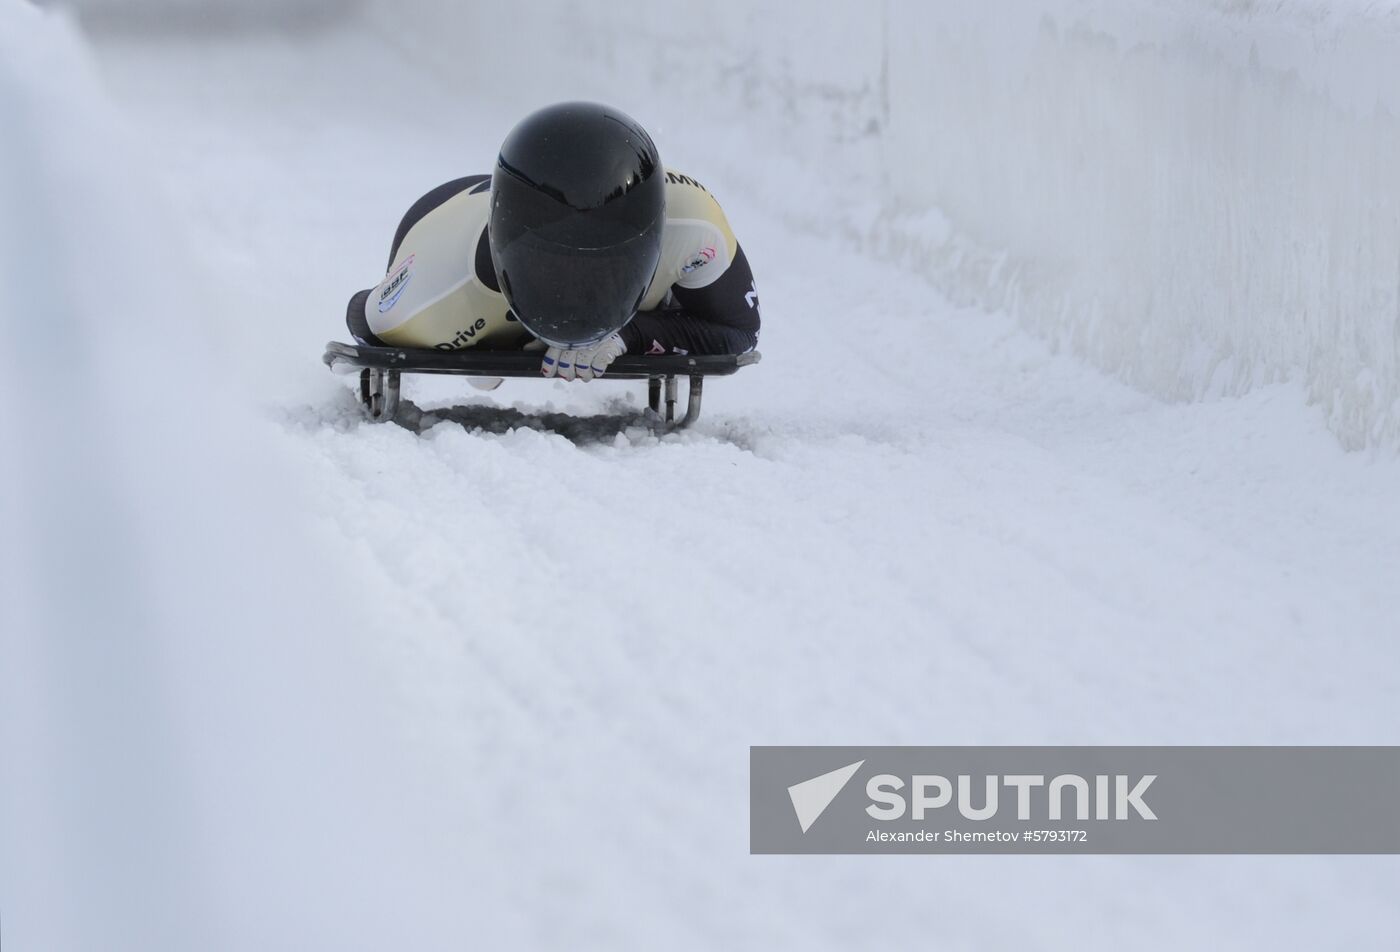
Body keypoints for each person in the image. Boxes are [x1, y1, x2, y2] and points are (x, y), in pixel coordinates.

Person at [345, 101, 760, 382]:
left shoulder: (694, 224)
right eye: (555, 264)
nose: (578, 296)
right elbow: (366, 318)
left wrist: (631, 333)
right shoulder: (433, 296)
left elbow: (740, 331)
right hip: (448, 219)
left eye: (606, 263)